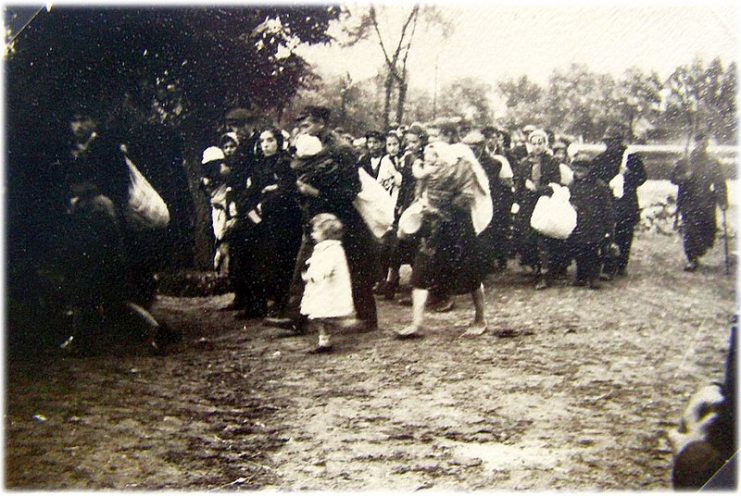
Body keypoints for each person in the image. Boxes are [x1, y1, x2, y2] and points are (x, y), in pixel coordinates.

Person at [264, 105, 379, 333]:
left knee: (356, 267)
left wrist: (316, 193)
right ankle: (297, 317)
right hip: (316, 218)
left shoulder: (341, 149)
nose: (302, 130)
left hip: (343, 219)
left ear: (321, 124)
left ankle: (367, 318)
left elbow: (352, 189)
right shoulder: (310, 148)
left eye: (306, 125)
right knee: (305, 263)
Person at [394, 141, 488, 338]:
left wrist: (438, 210)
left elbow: (465, 199)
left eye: (434, 158)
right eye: (428, 159)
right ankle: (416, 324)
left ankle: (480, 319)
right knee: (420, 271)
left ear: (443, 157)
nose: (430, 162)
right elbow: (420, 196)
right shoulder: (426, 174)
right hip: (433, 229)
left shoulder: (461, 170)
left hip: (459, 230)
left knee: (471, 275)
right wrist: (419, 209)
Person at [252, 127, 303, 316]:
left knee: (283, 261)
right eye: (262, 141)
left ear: (278, 142)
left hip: (286, 219)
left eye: (270, 140)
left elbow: (288, 190)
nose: (266, 145)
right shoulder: (261, 164)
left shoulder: (285, 162)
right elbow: (258, 189)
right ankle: (268, 302)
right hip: (268, 219)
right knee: (268, 260)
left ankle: (282, 305)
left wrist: (269, 196)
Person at [513, 129, 571, 289]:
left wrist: (537, 189)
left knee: (543, 237)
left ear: (545, 144)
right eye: (534, 143)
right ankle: (536, 268)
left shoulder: (551, 162)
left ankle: (546, 273)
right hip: (527, 204)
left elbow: (555, 185)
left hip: (544, 202)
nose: (537, 146)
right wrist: (517, 201)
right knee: (528, 237)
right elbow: (518, 183)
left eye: (541, 143)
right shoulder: (525, 163)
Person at [590, 124, 647, 279]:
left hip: (627, 202)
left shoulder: (631, 158)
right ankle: (609, 266)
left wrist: (629, 176)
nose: (609, 145)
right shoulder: (600, 159)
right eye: (607, 141)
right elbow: (593, 178)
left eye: (613, 141)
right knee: (609, 234)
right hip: (608, 202)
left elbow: (642, 178)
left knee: (625, 235)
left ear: (619, 141)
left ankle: (622, 264)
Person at [670, 133, 729, 272]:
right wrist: (685, 177)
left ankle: (700, 250)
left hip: (706, 201)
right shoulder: (684, 161)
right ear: (695, 143)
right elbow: (673, 178)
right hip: (688, 201)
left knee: (706, 231)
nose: (702, 146)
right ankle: (691, 259)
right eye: (700, 143)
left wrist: (723, 201)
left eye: (705, 144)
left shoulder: (713, 163)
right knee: (690, 231)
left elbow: (720, 183)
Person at [300, 213, 355, 353]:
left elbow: (327, 268)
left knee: (323, 314)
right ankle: (324, 341)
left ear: (326, 233)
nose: (312, 234)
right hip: (321, 288)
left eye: (315, 231)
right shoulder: (322, 247)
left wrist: (313, 276)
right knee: (317, 316)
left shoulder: (332, 249)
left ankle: (343, 327)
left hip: (328, 289)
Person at [567, 160, 615, 289]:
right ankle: (581, 276)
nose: (578, 173)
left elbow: (607, 208)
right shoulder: (572, 185)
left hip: (595, 224)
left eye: (581, 170)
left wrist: (609, 228)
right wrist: (572, 205)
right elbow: (567, 200)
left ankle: (594, 277)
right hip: (578, 224)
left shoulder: (600, 186)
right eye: (576, 170)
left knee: (593, 252)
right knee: (579, 251)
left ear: (589, 170)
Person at [374, 131, 405, 296]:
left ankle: (392, 279)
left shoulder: (406, 159)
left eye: (395, 144)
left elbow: (404, 180)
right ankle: (387, 279)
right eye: (389, 145)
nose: (392, 148)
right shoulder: (386, 161)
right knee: (388, 241)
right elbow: (382, 181)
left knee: (399, 242)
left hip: (401, 202)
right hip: (390, 201)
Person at [199, 145, 236, 275]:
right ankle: (221, 272)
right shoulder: (207, 178)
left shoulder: (225, 171)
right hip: (217, 209)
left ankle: (225, 272)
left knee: (224, 237)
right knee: (219, 236)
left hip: (226, 206)